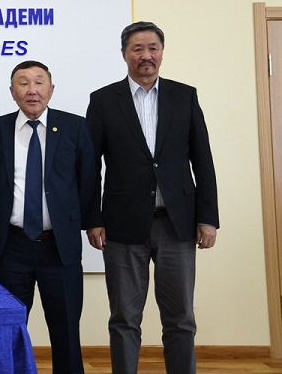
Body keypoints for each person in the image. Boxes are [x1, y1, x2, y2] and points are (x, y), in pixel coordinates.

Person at [86, 22, 220, 374]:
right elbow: (90, 166)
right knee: (124, 318)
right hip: (122, 225)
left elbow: (203, 160)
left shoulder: (184, 96)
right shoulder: (103, 100)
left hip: (177, 223)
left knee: (181, 318)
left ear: (162, 52)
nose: (146, 55)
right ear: (124, 54)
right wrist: (93, 218)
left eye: (152, 48)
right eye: (137, 49)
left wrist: (207, 217)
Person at [0, 60, 99, 374]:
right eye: (23, 83)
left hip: (59, 247)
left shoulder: (75, 127)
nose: (32, 90)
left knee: (66, 332)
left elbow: (89, 180)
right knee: (9, 331)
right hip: (12, 246)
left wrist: (92, 222)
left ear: (51, 89)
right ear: (12, 91)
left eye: (39, 82)